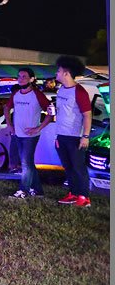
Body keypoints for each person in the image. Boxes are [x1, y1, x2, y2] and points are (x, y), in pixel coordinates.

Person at [3, 68, 53, 198]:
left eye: (24, 76)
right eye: (19, 76)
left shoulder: (37, 94)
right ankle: (37, 190)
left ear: (32, 79)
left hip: (31, 136)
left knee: (25, 163)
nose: (21, 79)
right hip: (18, 134)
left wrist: (38, 128)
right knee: (28, 163)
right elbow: (6, 108)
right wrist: (10, 125)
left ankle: (23, 190)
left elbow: (51, 112)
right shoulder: (16, 94)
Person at [52, 55, 93, 207]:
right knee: (68, 167)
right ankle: (73, 194)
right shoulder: (62, 89)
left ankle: (84, 198)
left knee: (79, 168)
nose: (56, 73)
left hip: (75, 137)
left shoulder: (79, 91)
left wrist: (85, 136)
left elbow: (87, 115)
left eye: (58, 71)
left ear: (66, 73)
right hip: (61, 136)